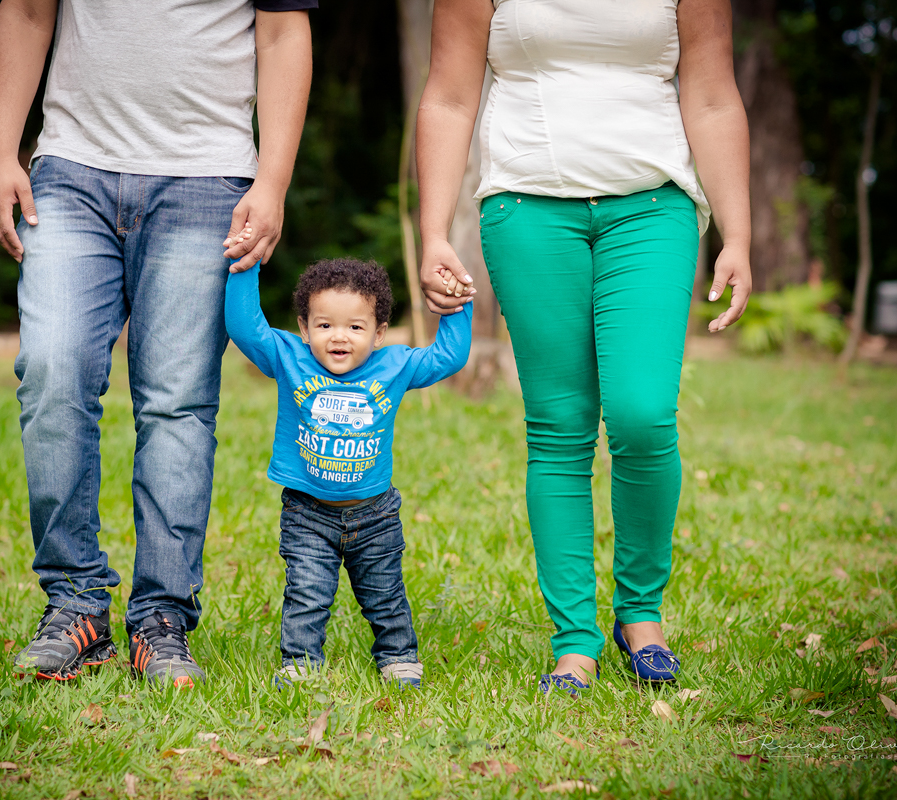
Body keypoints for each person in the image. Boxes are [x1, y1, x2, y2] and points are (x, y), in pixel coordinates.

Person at [416, 0, 752, 693]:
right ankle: (575, 642)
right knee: (560, 427)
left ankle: (641, 616)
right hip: (526, 208)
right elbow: (449, 96)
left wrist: (738, 235)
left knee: (641, 413)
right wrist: (434, 232)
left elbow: (714, 95)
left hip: (652, 208)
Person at [0, 0, 314, 687]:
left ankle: (161, 618)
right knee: (52, 372)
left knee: (177, 403)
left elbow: (283, 30)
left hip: (206, 177)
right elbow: (24, 9)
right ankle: (74, 604)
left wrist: (272, 180)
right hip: (71, 170)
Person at [225, 258, 471, 688]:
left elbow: (448, 357)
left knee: (385, 594)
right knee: (306, 594)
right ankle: (301, 661)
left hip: (374, 514)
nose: (339, 336)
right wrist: (245, 267)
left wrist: (455, 306)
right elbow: (245, 327)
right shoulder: (289, 358)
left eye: (355, 328)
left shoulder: (394, 366)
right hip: (307, 514)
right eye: (325, 326)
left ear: (378, 334)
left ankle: (397, 654)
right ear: (304, 329)